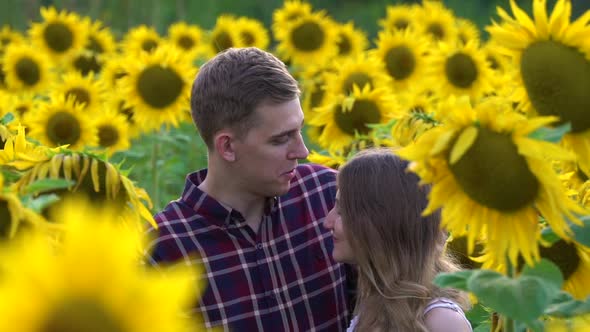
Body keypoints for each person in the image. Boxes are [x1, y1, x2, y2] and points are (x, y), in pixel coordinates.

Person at [145, 47, 351, 331]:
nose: (302, 151)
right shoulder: (162, 250)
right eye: (281, 139)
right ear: (227, 146)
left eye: (299, 130)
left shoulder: (327, 196)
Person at [323, 148, 472, 332]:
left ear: (381, 225)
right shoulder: (375, 303)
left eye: (341, 211)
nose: (326, 222)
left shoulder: (441, 321)